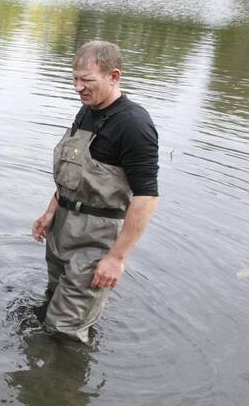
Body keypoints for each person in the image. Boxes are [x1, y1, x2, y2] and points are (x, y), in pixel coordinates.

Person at [31, 41, 160, 344]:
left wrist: (116, 257)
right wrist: (51, 211)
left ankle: (66, 385)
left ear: (114, 76)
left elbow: (147, 197)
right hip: (62, 228)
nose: (78, 87)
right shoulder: (87, 111)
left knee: (64, 331)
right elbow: (73, 172)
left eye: (87, 80)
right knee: (51, 305)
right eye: (75, 79)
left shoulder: (134, 124)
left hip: (96, 239)